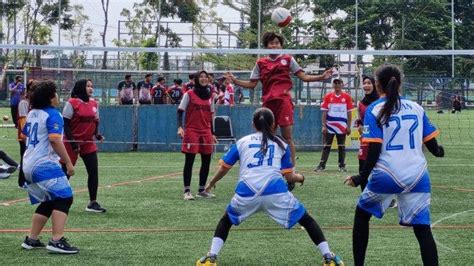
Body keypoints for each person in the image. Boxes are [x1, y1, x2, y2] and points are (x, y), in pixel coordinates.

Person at [196, 108, 343, 266]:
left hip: (247, 193)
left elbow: (224, 167)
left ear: (253, 124)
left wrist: (211, 183)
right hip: (275, 193)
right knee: (306, 220)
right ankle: (328, 257)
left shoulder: (242, 142)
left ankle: (211, 258)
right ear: (274, 125)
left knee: (226, 221)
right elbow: (290, 177)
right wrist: (301, 177)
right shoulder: (282, 144)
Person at [343, 65, 444, 266]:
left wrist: (361, 177)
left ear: (378, 84)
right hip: (417, 176)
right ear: (400, 83)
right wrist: (440, 151)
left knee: (362, 215)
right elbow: (433, 147)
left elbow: (373, 150)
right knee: (423, 229)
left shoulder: (375, 109)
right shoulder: (417, 108)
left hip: (388, 174)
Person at [225, 32, 332, 167]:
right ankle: (268, 165)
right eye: (271, 43)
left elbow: (304, 77)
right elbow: (252, 85)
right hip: (268, 104)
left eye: (277, 43)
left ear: (281, 45)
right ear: (266, 46)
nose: (274, 45)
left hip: (284, 102)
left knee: (287, 137)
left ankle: (291, 169)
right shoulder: (260, 63)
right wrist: (235, 80)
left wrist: (322, 77)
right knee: (267, 136)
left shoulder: (288, 59)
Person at [21, 80, 78, 254]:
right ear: (50, 97)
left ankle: (32, 239)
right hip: (43, 165)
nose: (58, 96)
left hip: (28, 163)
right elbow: (54, 139)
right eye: (55, 93)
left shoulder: (32, 113)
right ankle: (57, 240)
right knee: (65, 197)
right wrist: (68, 162)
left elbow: (24, 137)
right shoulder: (53, 114)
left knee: (49, 199)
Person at [61, 79, 106, 213]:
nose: (91, 88)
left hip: (88, 142)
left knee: (93, 172)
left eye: (92, 86)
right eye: (88, 86)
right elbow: (66, 124)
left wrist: (97, 134)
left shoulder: (94, 103)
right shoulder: (72, 103)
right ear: (81, 87)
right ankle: (56, 199)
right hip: (71, 142)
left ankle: (92, 203)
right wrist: (73, 142)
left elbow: (95, 121)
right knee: (66, 173)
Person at [177, 70, 217, 200]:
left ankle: (202, 190)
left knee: (206, 161)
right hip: (192, 130)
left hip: (206, 131)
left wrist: (213, 133)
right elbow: (180, 111)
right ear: (196, 79)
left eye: (206, 77)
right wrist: (180, 127)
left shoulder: (211, 96)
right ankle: (187, 191)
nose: (204, 79)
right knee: (190, 161)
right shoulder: (189, 94)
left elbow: (211, 116)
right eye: (201, 77)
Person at [315, 78, 354, 172]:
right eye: (335, 83)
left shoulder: (347, 97)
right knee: (326, 146)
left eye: (339, 83)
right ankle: (321, 165)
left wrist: (348, 126)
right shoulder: (328, 96)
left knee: (341, 146)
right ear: (333, 85)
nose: (337, 85)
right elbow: (324, 112)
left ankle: (342, 166)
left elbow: (349, 113)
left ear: (342, 84)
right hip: (330, 126)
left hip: (342, 126)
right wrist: (324, 125)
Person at [354, 76, 378, 186]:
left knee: (378, 173)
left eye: (369, 83)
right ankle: (366, 199)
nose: (366, 85)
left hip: (378, 141)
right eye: (364, 83)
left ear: (374, 85)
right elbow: (360, 120)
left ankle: (388, 200)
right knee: (362, 171)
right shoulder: (361, 104)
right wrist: (359, 126)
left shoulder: (380, 102)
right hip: (364, 141)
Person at [17, 79, 36, 187]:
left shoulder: (34, 103)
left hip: (33, 136)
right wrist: (27, 135)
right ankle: (22, 181)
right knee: (25, 157)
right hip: (25, 136)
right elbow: (23, 121)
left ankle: (29, 180)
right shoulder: (24, 103)